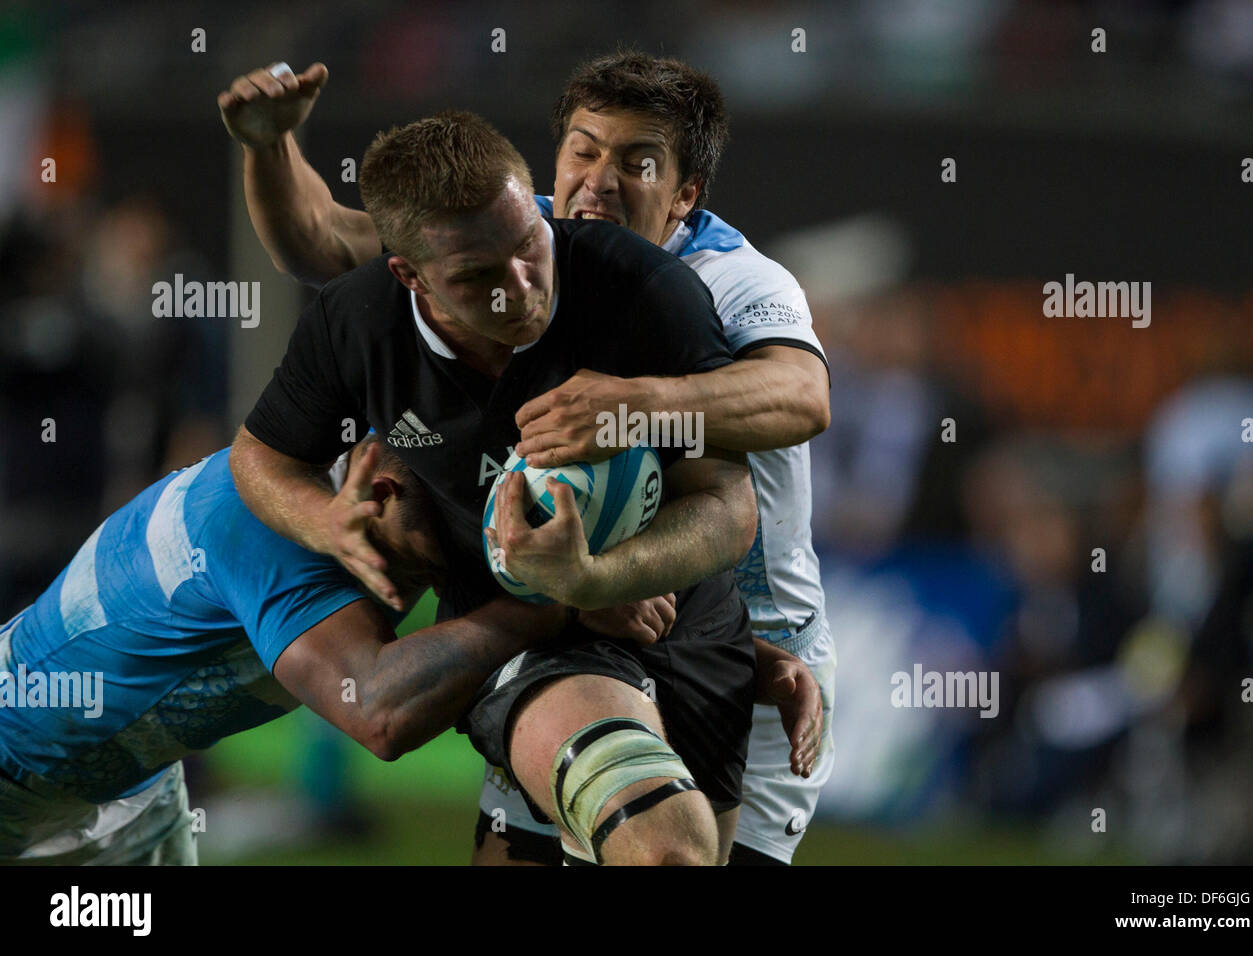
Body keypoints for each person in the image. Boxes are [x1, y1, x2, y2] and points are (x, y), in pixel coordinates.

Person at [218, 50, 834, 865]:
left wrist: (635, 404)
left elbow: (801, 398)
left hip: (738, 633)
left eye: (637, 162)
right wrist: (268, 147)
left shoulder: (729, 280)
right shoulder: (512, 235)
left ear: (686, 193)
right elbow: (326, 241)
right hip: (568, 624)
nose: (599, 181)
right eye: (583, 150)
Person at [0, 435, 594, 864]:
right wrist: (547, 606)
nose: (479, 548)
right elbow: (378, 712)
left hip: (134, 794)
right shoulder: (262, 526)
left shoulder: (387, 515)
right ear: (380, 494)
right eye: (460, 528)